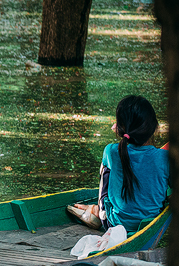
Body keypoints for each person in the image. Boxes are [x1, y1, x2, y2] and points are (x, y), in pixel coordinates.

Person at [67, 95, 169, 234]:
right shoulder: (165, 157)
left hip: (114, 224)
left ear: (120, 128)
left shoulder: (111, 151)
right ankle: (96, 210)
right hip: (151, 224)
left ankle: (98, 210)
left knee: (106, 170)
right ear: (154, 127)